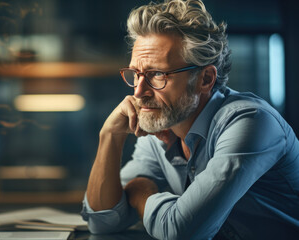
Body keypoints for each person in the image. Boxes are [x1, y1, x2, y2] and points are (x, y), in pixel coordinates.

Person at [81, 0, 299, 239]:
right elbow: (102, 222)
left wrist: (141, 192)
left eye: (157, 75)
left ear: (205, 79)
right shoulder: (163, 127)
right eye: (136, 74)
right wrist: (109, 136)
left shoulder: (251, 123)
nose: (138, 91)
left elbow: (181, 232)